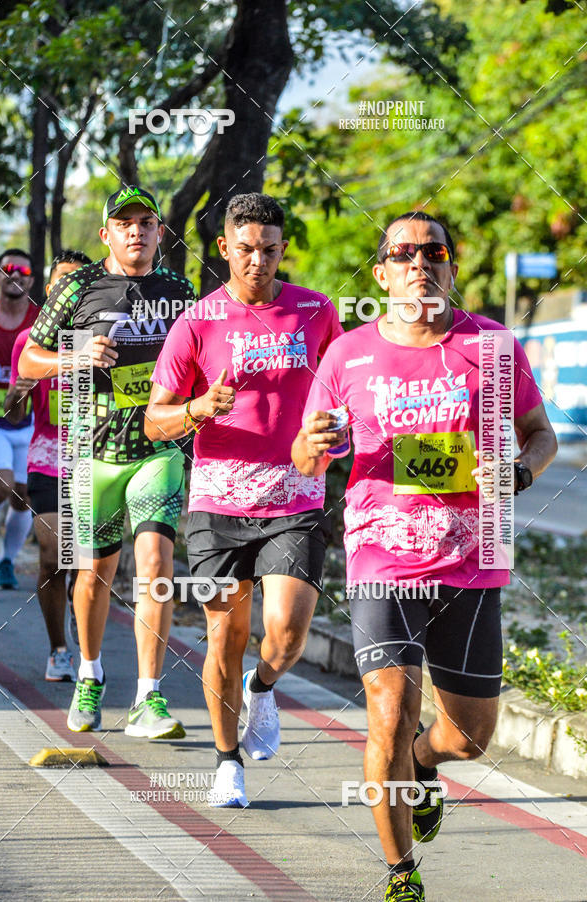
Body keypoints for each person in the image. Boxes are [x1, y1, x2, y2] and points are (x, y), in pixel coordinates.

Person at [292, 211, 557, 901]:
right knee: (389, 710)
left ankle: (422, 762)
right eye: (403, 253)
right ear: (382, 274)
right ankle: (401, 872)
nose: (419, 263)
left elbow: (540, 433)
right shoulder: (347, 354)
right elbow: (305, 454)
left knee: (470, 737)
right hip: (382, 558)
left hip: (474, 558)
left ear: (451, 268)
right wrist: (311, 445)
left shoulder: (491, 346)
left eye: (433, 252)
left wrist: (520, 472)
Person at [145, 192, 343, 807]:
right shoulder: (198, 321)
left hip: (295, 495)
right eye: (246, 249)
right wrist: (198, 408)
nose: (258, 261)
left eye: (270, 250)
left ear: (283, 249)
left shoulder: (316, 311)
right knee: (224, 637)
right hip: (217, 501)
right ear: (224, 248)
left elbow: (343, 391)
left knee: (285, 635)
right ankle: (227, 762)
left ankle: (263, 686)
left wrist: (338, 429)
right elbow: (154, 420)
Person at [19, 186, 197, 738]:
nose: (135, 231)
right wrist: (73, 353)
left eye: (145, 222)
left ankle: (149, 695)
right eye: (124, 224)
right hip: (91, 453)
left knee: (156, 566)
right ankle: (89, 674)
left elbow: (201, 358)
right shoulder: (76, 287)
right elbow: (28, 359)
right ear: (106, 234)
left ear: (160, 232)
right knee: (94, 575)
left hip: (158, 449)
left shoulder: (180, 291)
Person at [5, 250, 92, 681]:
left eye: (78, 282)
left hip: (96, 459)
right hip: (48, 458)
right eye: (61, 282)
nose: (69, 290)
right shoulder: (30, 340)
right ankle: (59, 648)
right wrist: (17, 394)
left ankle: (81, 613)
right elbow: (13, 413)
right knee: (54, 552)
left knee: (84, 562)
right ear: (49, 287)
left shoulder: (104, 337)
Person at [0, 249, 38, 589]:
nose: (15, 274)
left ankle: (7, 561)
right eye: (8, 268)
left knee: (24, 495)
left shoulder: (40, 320)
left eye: (23, 270)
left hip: (31, 421)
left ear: (31, 280)